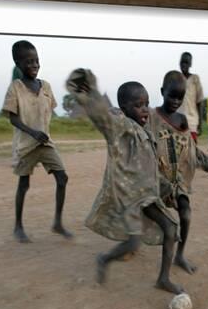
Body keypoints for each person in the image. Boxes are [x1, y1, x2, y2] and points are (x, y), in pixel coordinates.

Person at [66, 68, 184, 294]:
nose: (145, 110)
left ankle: (163, 279)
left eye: (147, 104)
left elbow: (149, 166)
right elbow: (103, 116)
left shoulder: (145, 131)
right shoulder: (120, 128)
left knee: (171, 228)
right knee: (133, 243)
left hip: (147, 195)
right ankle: (105, 259)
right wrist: (89, 94)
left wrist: (167, 187)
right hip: (130, 198)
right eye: (138, 105)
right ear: (124, 108)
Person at [147, 70, 208, 275]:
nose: (176, 101)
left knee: (185, 215)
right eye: (172, 96)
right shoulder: (151, 117)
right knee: (144, 215)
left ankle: (179, 255)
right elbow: (137, 139)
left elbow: (190, 148)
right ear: (162, 92)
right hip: (156, 179)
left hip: (177, 180)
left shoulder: (182, 120)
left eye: (180, 97)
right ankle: (130, 242)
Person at [2, 40, 72, 243]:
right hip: (27, 144)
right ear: (18, 63)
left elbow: (49, 109)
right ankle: (18, 226)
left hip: (45, 143)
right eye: (28, 62)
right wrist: (33, 132)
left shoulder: (46, 86)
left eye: (36, 61)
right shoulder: (15, 87)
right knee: (23, 184)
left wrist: (42, 130)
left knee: (62, 178)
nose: (34, 65)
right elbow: (13, 118)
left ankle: (57, 223)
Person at [177, 52, 204, 143]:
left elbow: (199, 102)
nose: (184, 65)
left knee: (192, 150)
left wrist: (200, 123)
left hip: (192, 121)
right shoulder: (176, 78)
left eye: (186, 62)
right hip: (177, 120)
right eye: (182, 62)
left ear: (190, 64)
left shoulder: (195, 79)